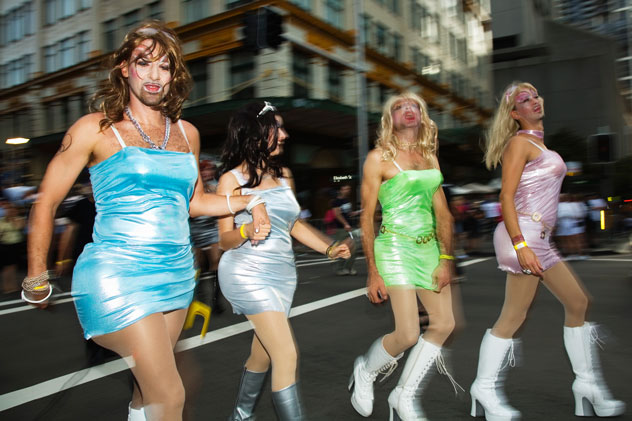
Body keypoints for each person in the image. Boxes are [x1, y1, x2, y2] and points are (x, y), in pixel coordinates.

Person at [21, 21, 270, 421]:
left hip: (175, 277)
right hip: (116, 275)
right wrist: (36, 276)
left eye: (165, 67)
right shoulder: (95, 128)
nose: (155, 76)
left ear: (175, 75)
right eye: (144, 63)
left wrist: (251, 200)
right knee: (171, 396)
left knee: (145, 396)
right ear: (124, 67)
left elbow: (196, 203)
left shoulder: (186, 134)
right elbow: (45, 201)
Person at [470, 81, 625, 420]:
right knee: (513, 316)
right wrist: (521, 245)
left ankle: (587, 385)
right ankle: (484, 387)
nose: (535, 100)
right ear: (514, 113)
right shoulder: (519, 143)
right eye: (525, 99)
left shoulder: (537, 144)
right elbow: (505, 198)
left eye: (536, 94)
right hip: (524, 235)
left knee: (578, 302)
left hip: (540, 238)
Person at [216, 101, 350, 421]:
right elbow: (224, 239)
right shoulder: (231, 180)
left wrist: (329, 248)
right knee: (286, 354)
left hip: (282, 274)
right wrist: (247, 229)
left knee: (262, 354)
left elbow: (293, 224)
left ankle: (241, 415)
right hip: (246, 271)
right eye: (278, 127)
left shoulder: (284, 175)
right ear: (258, 132)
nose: (286, 135)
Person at [348, 92, 460, 420]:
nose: (407, 109)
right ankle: (366, 371)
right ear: (390, 119)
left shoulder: (430, 158)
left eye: (414, 105)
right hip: (394, 248)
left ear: (422, 116)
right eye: (399, 107)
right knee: (408, 333)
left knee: (444, 323)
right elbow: (367, 217)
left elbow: (444, 215)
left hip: (429, 250)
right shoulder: (377, 158)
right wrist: (372, 271)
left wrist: (446, 259)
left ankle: (404, 394)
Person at [189, 159, 225, 312]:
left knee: (216, 265)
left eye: (209, 170)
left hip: (212, 231)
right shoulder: (193, 186)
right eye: (203, 170)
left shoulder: (217, 186)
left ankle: (216, 302)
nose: (206, 173)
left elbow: (222, 206)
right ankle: (202, 302)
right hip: (195, 232)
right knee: (200, 268)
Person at [331, 183, 359, 275]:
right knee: (344, 248)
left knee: (353, 248)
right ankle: (340, 268)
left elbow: (348, 213)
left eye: (349, 189)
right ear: (340, 190)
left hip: (348, 227)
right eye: (345, 189)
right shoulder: (336, 202)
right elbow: (337, 214)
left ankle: (348, 268)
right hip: (341, 228)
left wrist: (357, 212)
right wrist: (345, 224)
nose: (348, 190)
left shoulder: (347, 200)